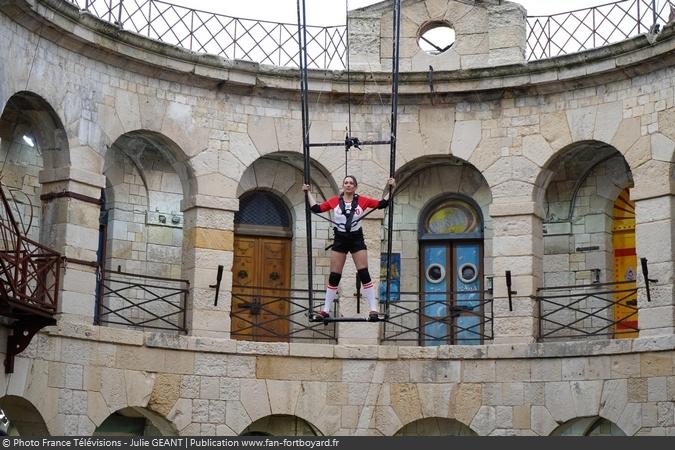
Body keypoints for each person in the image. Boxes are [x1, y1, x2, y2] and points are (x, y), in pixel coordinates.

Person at [302, 175, 396, 321]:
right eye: (346, 182)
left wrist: (391, 188)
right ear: (343, 186)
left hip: (356, 238)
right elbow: (316, 208)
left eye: (351, 183)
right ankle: (326, 309)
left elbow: (382, 204)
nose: (348, 185)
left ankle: (373, 309)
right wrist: (307, 192)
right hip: (340, 239)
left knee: (364, 272)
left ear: (355, 187)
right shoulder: (334, 201)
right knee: (334, 275)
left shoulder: (362, 201)